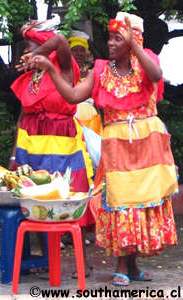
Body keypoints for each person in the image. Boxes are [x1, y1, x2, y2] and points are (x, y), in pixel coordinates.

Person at [26, 12, 179, 286]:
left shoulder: (147, 63)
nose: (110, 43)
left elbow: (156, 76)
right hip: (117, 147)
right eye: (110, 38)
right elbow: (73, 96)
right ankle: (121, 263)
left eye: (117, 39)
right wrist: (50, 69)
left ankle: (132, 266)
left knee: (141, 203)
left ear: (133, 41)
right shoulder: (101, 71)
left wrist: (135, 46)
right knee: (120, 202)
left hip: (147, 145)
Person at [9, 15, 95, 277]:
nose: (25, 52)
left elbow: (59, 40)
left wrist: (40, 51)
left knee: (69, 199)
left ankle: (83, 263)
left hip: (62, 144)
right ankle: (45, 260)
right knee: (34, 200)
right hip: (31, 144)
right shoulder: (29, 79)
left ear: (42, 46)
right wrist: (14, 154)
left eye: (29, 46)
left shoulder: (64, 68)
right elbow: (23, 118)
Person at [68, 30, 103, 136]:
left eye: (82, 50)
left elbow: (97, 101)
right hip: (72, 117)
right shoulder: (64, 74)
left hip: (91, 118)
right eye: (75, 50)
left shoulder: (92, 74)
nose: (79, 54)